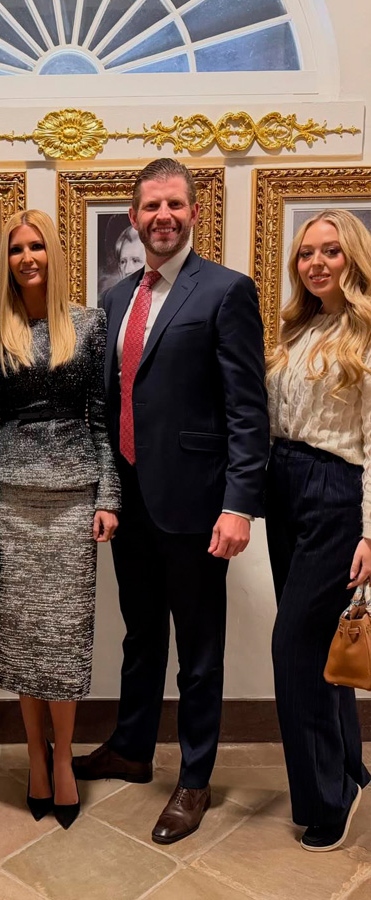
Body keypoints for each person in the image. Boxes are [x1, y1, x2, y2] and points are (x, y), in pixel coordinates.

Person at [74, 159, 270, 844]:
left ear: (194, 212)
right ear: (134, 217)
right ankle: (131, 746)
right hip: (129, 500)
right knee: (140, 635)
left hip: (197, 505)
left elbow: (249, 410)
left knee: (199, 650)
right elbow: (110, 400)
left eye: (175, 205)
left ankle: (193, 777)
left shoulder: (225, 291)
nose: (163, 216)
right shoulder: (118, 297)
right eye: (150, 205)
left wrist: (239, 504)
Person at [0, 209, 120, 830]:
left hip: (76, 497)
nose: (27, 256)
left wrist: (111, 498)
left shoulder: (90, 323)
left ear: (54, 253)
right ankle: (35, 756)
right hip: (6, 499)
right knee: (22, 635)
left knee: (64, 637)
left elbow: (103, 416)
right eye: (16, 248)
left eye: (37, 247)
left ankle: (64, 764)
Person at [266, 208, 371, 851]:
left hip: (335, 491)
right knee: (321, 643)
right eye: (307, 253)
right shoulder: (296, 328)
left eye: (330, 252)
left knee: (294, 649)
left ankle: (325, 802)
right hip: (285, 486)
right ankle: (351, 769)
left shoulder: (366, 335)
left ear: (352, 258)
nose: (316, 263)